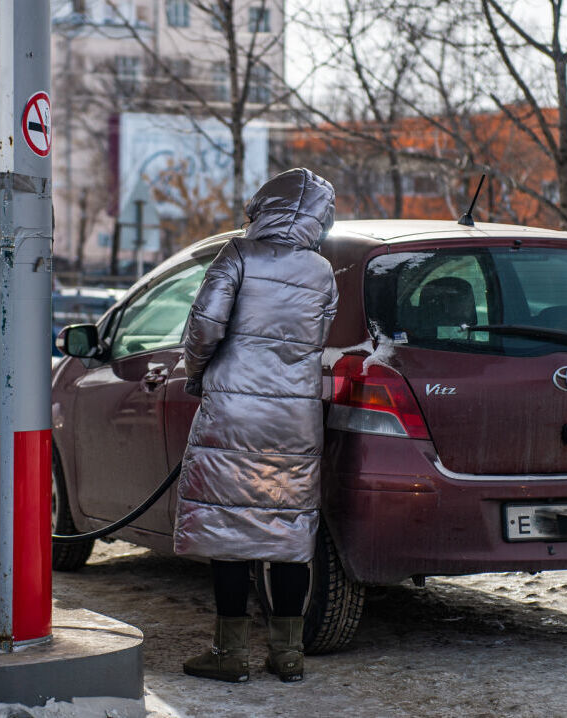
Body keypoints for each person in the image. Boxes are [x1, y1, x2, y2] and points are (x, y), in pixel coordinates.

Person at [173, 168, 339, 683]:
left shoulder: (238, 256)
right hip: (294, 417)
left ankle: (230, 653)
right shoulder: (322, 271)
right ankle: (287, 654)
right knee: (286, 528)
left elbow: (204, 326)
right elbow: (316, 335)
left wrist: (197, 374)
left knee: (229, 528)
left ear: (263, 206)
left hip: (234, 413)